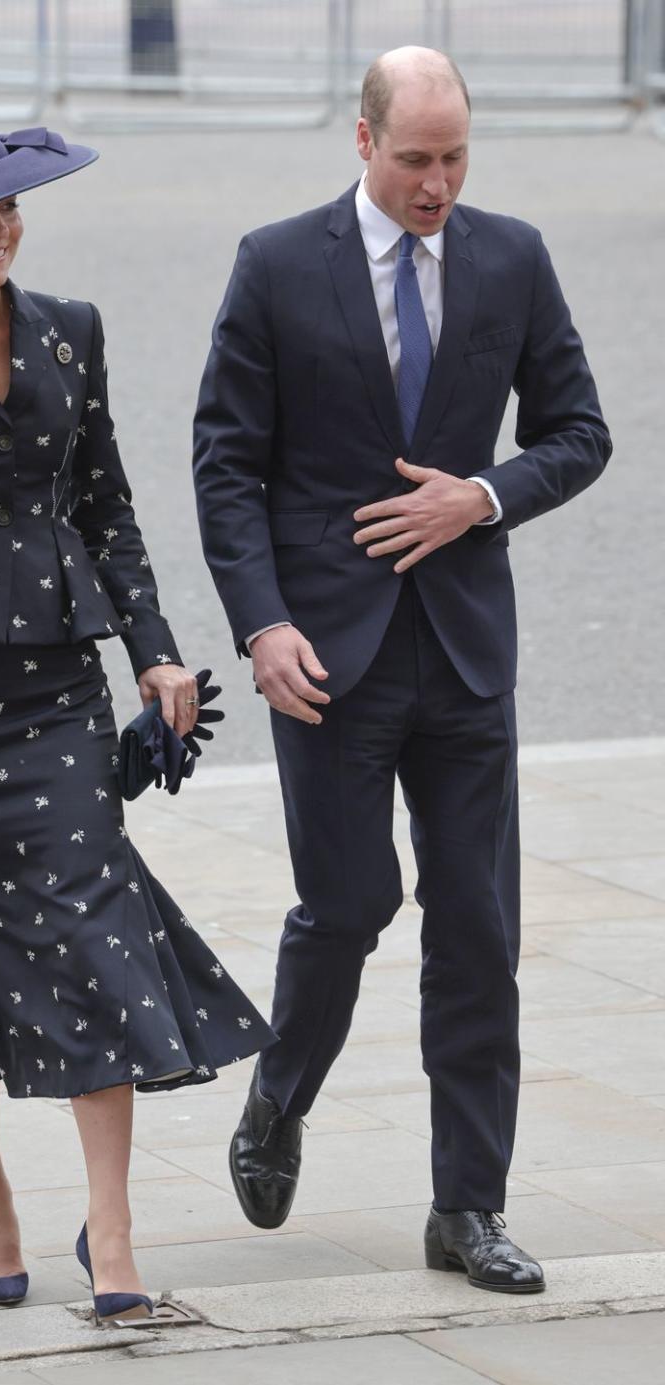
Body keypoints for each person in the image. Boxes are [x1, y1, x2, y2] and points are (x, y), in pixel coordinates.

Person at [0, 100, 272, 1324]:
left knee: (97, 930)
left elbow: (108, 504)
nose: (1, 228)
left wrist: (161, 656)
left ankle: (112, 1233)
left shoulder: (70, 333)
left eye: (10, 205)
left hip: (60, 689)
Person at [193, 48, 611, 1293]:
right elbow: (225, 463)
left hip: (467, 652)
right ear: (362, 143)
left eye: (457, 158)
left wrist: (482, 496)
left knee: (481, 931)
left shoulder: (512, 257)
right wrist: (262, 626)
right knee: (351, 903)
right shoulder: (276, 264)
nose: (440, 183)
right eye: (417, 158)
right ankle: (279, 1094)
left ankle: (467, 1208)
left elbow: (579, 431)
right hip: (327, 651)